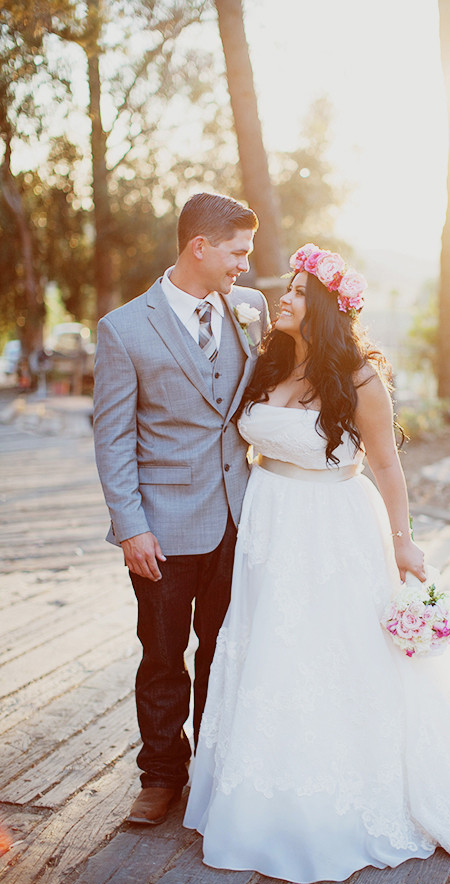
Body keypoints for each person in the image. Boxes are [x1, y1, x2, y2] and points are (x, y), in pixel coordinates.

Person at [183, 243, 450, 884]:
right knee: (271, 649)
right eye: (286, 290)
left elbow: (384, 464)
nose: (283, 300)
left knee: (339, 653)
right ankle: (266, 785)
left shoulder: (358, 378)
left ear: (321, 307)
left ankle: (342, 791)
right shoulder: (268, 361)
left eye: (296, 292)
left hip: (333, 529)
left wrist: (403, 541)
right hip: (271, 530)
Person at [93, 192, 269, 826]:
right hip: (161, 529)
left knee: (223, 652)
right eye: (237, 252)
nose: (243, 265)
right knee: (164, 657)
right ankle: (162, 776)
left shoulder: (251, 310)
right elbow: (112, 436)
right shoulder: (124, 328)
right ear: (201, 246)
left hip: (239, 517)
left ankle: (216, 770)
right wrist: (130, 527)